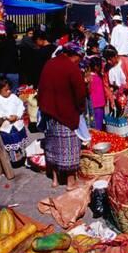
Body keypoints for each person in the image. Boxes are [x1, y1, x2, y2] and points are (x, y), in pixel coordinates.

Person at [38, 42, 87, 189]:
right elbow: (80, 93)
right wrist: (80, 109)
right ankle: (70, 181)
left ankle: (55, 179)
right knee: (69, 146)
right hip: (66, 113)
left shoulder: (49, 64)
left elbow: (41, 87)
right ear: (73, 55)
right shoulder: (71, 68)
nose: (80, 61)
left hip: (49, 112)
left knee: (53, 146)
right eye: (80, 58)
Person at [102, 45, 128, 133]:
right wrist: (111, 100)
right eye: (106, 59)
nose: (108, 61)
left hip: (127, 96)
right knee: (117, 122)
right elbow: (106, 85)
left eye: (110, 59)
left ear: (116, 56)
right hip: (115, 97)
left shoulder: (126, 63)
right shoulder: (107, 67)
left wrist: (124, 87)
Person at [0, 77, 28, 165]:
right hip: (6, 126)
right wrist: (6, 117)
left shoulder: (13, 97)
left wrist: (17, 116)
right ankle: (14, 160)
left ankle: (23, 157)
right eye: (6, 90)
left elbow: (20, 106)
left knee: (19, 140)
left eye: (9, 89)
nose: (9, 91)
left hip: (17, 123)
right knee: (10, 142)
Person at [0, 21, 20, 93]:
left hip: (4, 72)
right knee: (13, 93)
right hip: (12, 72)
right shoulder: (12, 43)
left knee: (3, 94)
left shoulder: (2, 43)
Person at [88, 57, 107, 130]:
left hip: (98, 103)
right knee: (97, 123)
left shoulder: (97, 76)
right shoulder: (92, 77)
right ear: (96, 67)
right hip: (97, 104)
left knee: (98, 121)